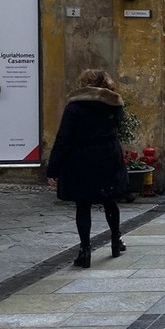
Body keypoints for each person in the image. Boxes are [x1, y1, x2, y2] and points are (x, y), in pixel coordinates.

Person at [46, 69, 130, 269]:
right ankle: (116, 241)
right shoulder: (114, 104)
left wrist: (53, 170)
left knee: (83, 205)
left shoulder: (74, 106)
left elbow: (63, 139)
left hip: (81, 159)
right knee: (110, 201)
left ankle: (85, 251)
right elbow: (119, 127)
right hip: (108, 157)